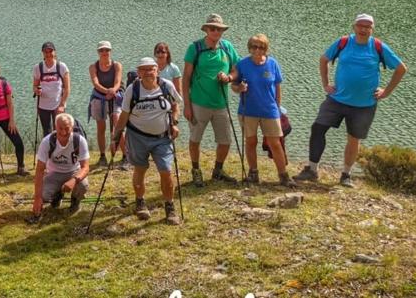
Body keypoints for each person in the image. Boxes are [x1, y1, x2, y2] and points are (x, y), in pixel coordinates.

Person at [295, 14, 407, 188]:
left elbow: (401, 68)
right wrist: (325, 84)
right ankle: (312, 169)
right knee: (318, 128)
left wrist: (386, 91)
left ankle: (346, 174)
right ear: (354, 27)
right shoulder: (344, 42)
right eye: (360, 26)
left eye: (367, 27)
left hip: (364, 105)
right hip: (337, 99)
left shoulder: (378, 47)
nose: (363, 29)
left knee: (354, 139)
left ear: (372, 29)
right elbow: (324, 59)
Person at [113, 58, 184, 224]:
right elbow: (124, 114)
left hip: (162, 137)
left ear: (157, 70)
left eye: (150, 69)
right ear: (138, 73)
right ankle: (140, 202)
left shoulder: (167, 86)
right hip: (137, 136)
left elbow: (175, 106)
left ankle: (170, 206)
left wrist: (174, 123)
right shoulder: (133, 90)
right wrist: (117, 134)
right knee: (140, 169)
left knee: (166, 171)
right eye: (143, 70)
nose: (147, 73)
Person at [183, 14, 240, 187]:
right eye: (212, 28)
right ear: (206, 30)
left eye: (219, 29)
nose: (216, 31)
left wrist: (229, 77)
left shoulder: (227, 47)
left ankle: (218, 171)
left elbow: (236, 70)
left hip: (221, 104)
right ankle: (196, 171)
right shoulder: (195, 48)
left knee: (225, 141)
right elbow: (185, 78)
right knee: (195, 139)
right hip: (198, 103)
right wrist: (187, 105)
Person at [231, 34, 296, 187]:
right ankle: (253, 173)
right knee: (251, 141)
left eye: (261, 47)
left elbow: (278, 87)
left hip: (270, 111)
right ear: (249, 48)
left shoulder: (273, 64)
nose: (257, 50)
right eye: (254, 46)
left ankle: (283, 175)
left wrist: (278, 109)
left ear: (266, 49)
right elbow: (233, 86)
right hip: (248, 111)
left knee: (275, 142)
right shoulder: (242, 64)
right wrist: (239, 88)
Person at [29, 113, 90, 221]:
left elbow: (85, 167)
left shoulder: (79, 140)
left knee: (83, 185)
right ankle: (57, 196)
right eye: (60, 128)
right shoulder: (47, 142)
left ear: (72, 127)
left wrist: (74, 180)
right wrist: (37, 198)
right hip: (54, 174)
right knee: (43, 195)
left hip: (74, 172)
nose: (63, 132)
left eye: (67, 128)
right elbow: (39, 170)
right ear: (55, 127)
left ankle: (75, 201)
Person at [88, 41, 122, 168]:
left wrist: (113, 90)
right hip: (99, 98)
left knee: (118, 125)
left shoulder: (117, 65)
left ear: (110, 51)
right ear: (98, 52)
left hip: (115, 96)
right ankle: (103, 156)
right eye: (101, 50)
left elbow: (118, 81)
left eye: (107, 50)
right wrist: (107, 91)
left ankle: (124, 156)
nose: (104, 53)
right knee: (101, 128)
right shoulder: (93, 67)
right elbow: (95, 83)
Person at [33, 41, 70, 137]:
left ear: (55, 52)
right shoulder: (38, 67)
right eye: (46, 52)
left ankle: (60, 151)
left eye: (50, 51)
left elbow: (67, 88)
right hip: (43, 106)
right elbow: (34, 86)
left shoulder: (61, 67)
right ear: (43, 53)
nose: (48, 54)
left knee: (60, 131)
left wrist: (62, 105)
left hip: (57, 106)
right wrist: (37, 90)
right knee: (46, 132)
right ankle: (49, 151)